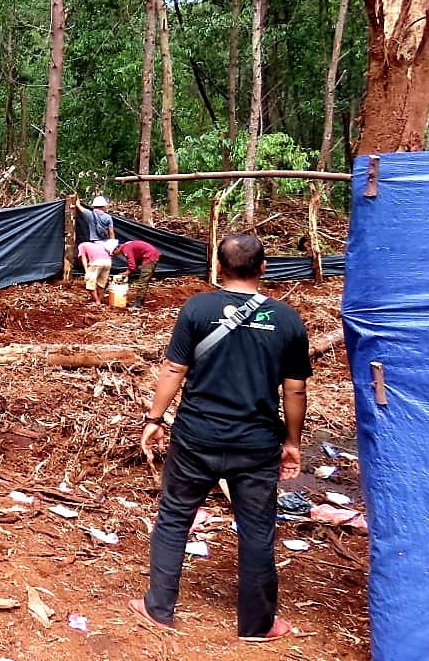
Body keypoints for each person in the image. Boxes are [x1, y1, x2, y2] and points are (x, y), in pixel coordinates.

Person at [131, 233, 312, 640]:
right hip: (256, 443)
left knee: (175, 516)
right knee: (257, 528)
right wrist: (292, 443)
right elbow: (295, 388)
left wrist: (154, 419)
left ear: (218, 267)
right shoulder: (286, 319)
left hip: (196, 437)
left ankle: (158, 608)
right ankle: (257, 624)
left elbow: (173, 370)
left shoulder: (196, 308)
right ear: (264, 268)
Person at [112, 238, 161, 310]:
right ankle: (139, 302)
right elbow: (135, 262)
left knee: (142, 281)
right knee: (144, 281)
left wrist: (126, 273)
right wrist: (128, 271)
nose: (114, 255)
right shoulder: (126, 246)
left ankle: (138, 305)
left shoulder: (125, 248)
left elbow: (132, 264)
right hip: (150, 255)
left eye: (114, 253)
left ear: (116, 249)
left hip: (149, 257)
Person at [78, 238, 115, 306]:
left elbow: (83, 258)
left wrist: (86, 270)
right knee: (102, 283)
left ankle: (97, 301)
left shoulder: (81, 245)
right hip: (108, 262)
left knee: (90, 281)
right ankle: (99, 300)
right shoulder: (99, 245)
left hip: (97, 262)